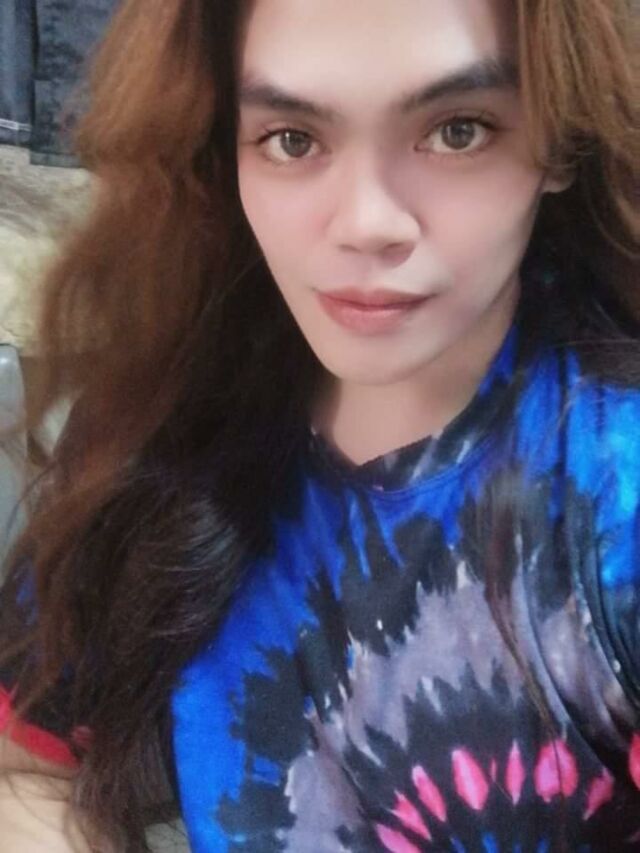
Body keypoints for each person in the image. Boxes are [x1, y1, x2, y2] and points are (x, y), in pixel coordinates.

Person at [0, 0, 638, 850]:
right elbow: (28, 758)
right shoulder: (162, 423)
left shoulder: (615, 494)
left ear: (559, 142)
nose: (367, 222)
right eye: (292, 139)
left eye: (458, 131)